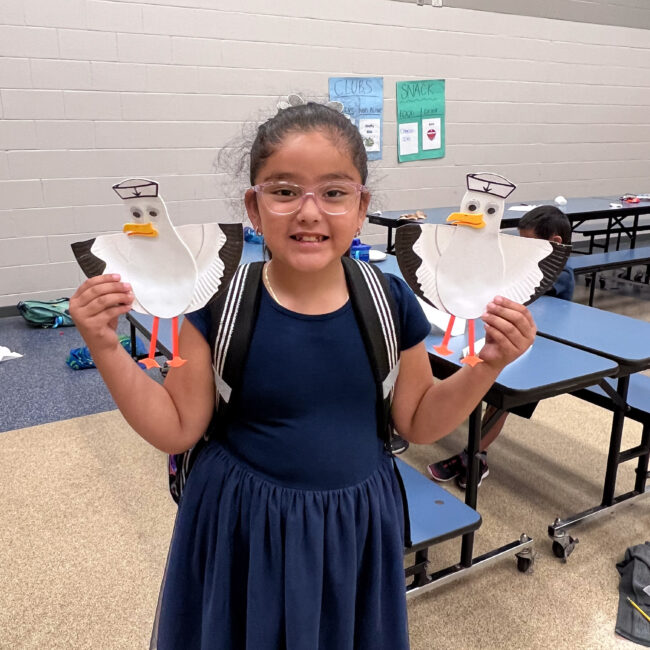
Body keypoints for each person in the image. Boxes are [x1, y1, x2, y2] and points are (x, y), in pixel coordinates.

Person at [69, 101, 536, 650]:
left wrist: (490, 362)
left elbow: (419, 419)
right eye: (285, 191)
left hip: (355, 526)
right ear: (254, 206)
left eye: (335, 193)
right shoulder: (219, 305)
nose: (309, 212)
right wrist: (105, 345)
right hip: (242, 524)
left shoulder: (388, 302)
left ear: (361, 208)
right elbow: (176, 429)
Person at [429, 204, 573, 489]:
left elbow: (518, 294)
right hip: (513, 338)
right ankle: (472, 444)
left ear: (554, 244)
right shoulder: (534, 264)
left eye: (527, 244)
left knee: (498, 397)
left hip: (541, 350)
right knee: (474, 373)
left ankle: (474, 455)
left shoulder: (559, 274)